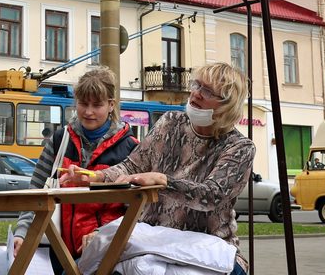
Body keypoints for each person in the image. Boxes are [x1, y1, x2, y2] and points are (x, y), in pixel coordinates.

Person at [63, 62, 256, 275]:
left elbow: (212, 196)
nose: (197, 94)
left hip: (208, 248)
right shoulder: (171, 122)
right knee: (80, 268)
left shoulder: (239, 147)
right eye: (197, 85)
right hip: (151, 240)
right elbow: (132, 165)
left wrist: (164, 181)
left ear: (227, 105)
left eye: (208, 91)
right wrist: (94, 177)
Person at [13, 67, 137, 268]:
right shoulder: (59, 140)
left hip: (106, 253)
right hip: (58, 252)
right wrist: (22, 232)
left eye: (97, 105)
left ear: (111, 105)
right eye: (83, 104)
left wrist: (102, 233)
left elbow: (136, 210)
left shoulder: (130, 147)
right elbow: (35, 191)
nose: (88, 112)